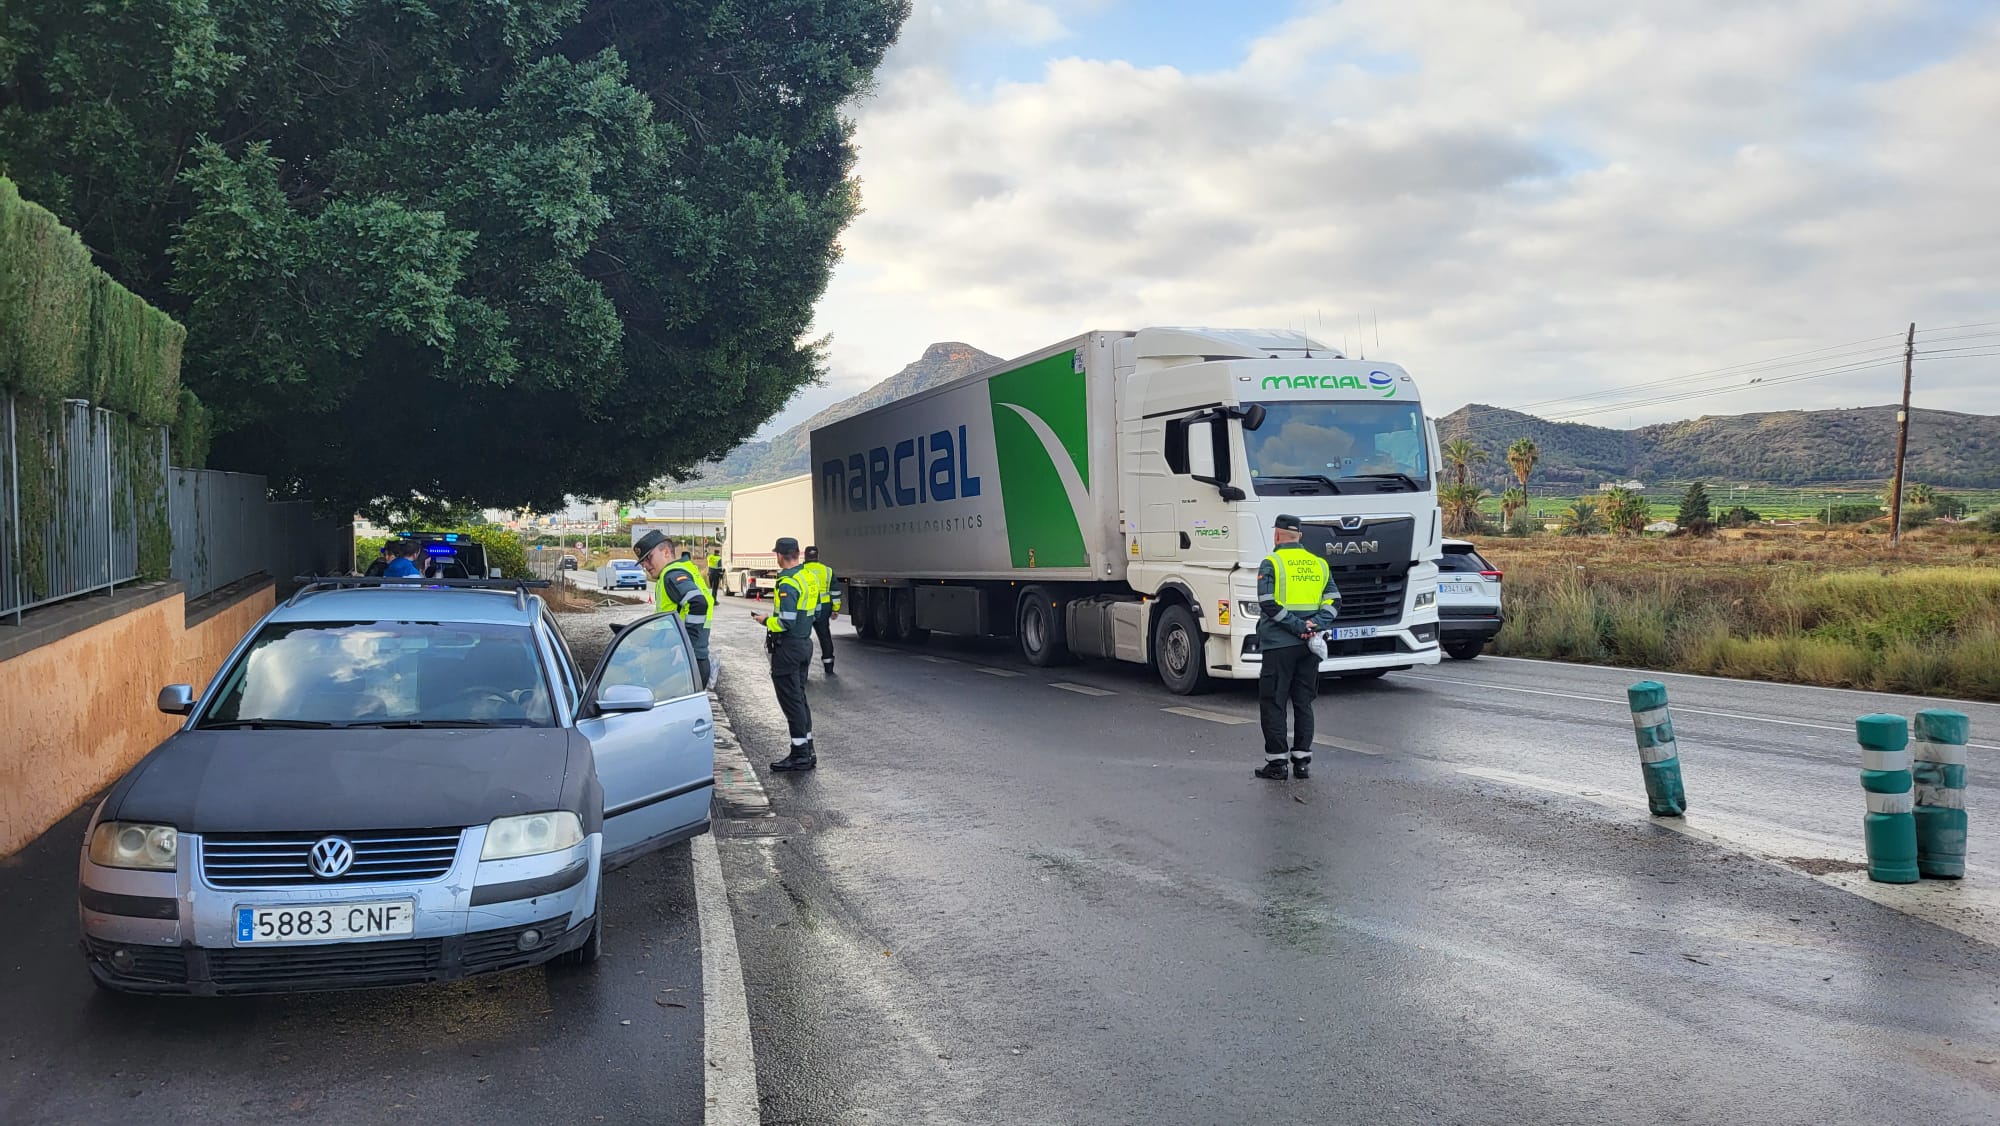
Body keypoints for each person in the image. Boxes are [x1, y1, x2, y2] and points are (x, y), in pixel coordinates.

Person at [1254, 514, 1340, 780]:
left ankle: (1277, 764)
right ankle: (1302, 762)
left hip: (1279, 645)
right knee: (1304, 702)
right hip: (1309, 647)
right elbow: (1334, 601)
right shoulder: (1320, 564)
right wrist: (1313, 624)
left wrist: (1297, 626)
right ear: (1300, 536)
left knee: (1274, 701)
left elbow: (1267, 602)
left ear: (1277, 535)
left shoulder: (1271, 562)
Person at [753, 537, 819, 771]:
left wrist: (765, 621)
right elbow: (817, 610)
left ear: (779, 556)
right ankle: (807, 749)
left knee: (791, 701)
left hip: (789, 647)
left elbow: (785, 622)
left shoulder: (788, 582)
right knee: (799, 698)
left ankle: (800, 755)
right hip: (804, 644)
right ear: (798, 553)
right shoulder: (808, 577)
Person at [634, 530, 715, 689]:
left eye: (649, 557)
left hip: (683, 663)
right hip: (689, 661)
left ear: (666, 552)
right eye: (642, 561)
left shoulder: (672, 574)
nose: (645, 565)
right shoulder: (679, 571)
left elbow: (698, 603)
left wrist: (686, 645)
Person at [800, 545, 841, 675]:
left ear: (805, 556)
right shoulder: (827, 571)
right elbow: (834, 592)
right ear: (818, 556)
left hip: (805, 608)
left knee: (802, 638)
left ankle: (803, 668)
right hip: (823, 608)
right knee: (825, 637)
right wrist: (835, 609)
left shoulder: (800, 571)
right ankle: (829, 666)